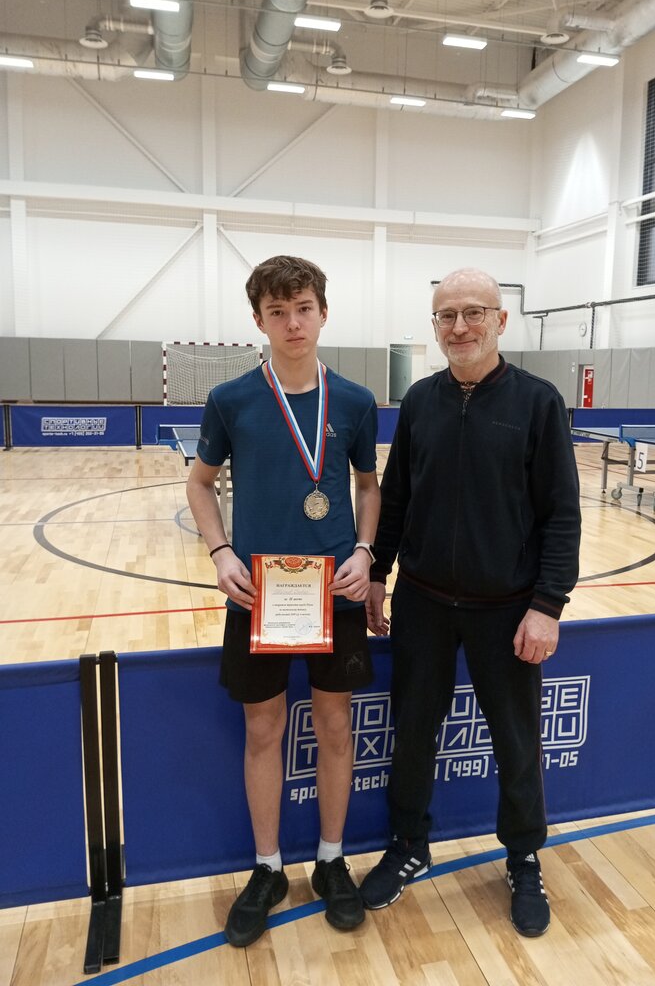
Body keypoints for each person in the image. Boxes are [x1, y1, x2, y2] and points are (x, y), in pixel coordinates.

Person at [359, 267, 580, 937]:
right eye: (446, 315)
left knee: (516, 742)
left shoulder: (539, 403)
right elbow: (396, 497)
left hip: (508, 609)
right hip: (423, 603)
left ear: (500, 320)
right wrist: (378, 574)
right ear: (435, 326)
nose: (459, 326)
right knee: (412, 734)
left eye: (473, 312)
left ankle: (524, 857)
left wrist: (548, 604)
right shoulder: (419, 401)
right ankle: (409, 845)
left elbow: (561, 515)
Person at [186, 255, 380, 947]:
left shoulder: (355, 401)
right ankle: (267, 868)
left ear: (323, 313)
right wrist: (220, 552)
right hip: (257, 597)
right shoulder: (231, 400)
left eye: (303, 308)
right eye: (278, 312)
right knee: (263, 731)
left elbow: (368, 487)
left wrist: (365, 552)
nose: (292, 323)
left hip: (337, 596)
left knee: (335, 727)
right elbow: (200, 483)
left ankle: (331, 860)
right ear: (259, 320)